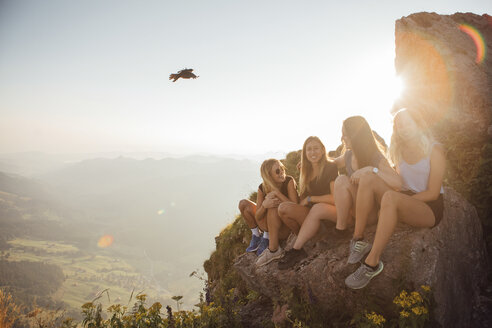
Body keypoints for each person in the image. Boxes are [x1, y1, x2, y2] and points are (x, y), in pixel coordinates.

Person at [345, 109, 445, 289]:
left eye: (407, 123)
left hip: (429, 207)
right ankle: (358, 239)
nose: (403, 128)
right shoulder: (397, 151)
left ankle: (372, 263)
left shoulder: (434, 149)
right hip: (403, 199)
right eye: (399, 126)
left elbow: (433, 192)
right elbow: (397, 182)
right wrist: (371, 170)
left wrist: (400, 200)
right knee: (369, 178)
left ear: (418, 124)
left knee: (391, 197)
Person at [331, 116, 400, 265]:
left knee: (355, 178)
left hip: (372, 213)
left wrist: (371, 170)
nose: (341, 138)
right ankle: (341, 230)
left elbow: (398, 182)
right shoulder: (349, 155)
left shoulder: (375, 157)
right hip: (358, 211)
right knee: (341, 180)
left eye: (345, 134)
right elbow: (331, 164)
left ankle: (358, 239)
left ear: (356, 134)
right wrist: (308, 161)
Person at [277, 136, 339, 269]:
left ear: (323, 150)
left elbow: (335, 198)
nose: (313, 152)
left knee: (314, 209)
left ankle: (297, 249)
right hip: (312, 214)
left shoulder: (331, 167)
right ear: (305, 153)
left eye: (316, 148)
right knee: (283, 209)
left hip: (328, 214)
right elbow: (302, 200)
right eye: (309, 149)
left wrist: (311, 199)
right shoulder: (306, 170)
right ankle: (306, 237)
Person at [238, 159, 298, 266]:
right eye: (277, 171)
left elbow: (295, 206)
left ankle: (273, 249)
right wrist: (265, 205)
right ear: (269, 175)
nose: (282, 172)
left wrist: (277, 194)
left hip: (284, 227)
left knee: (273, 206)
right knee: (243, 204)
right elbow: (258, 216)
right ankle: (257, 236)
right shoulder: (262, 187)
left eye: (282, 168)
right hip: (268, 225)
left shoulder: (289, 181)